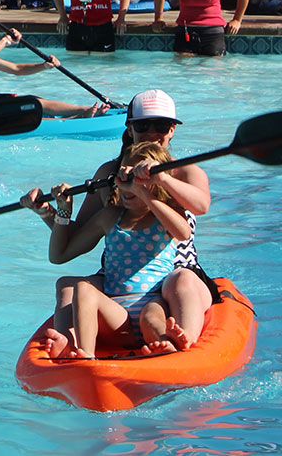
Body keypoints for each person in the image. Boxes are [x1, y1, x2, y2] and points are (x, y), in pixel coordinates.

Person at [20, 89, 216, 357]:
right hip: (119, 275)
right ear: (130, 128)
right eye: (142, 125)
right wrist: (49, 213)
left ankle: (183, 344)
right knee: (68, 286)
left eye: (160, 125)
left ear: (172, 130)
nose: (151, 133)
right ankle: (70, 345)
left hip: (174, 272)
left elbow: (200, 207)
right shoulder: (110, 174)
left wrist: (158, 180)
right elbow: (75, 240)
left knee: (179, 281)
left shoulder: (186, 172)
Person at [44, 141, 195, 358]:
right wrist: (62, 210)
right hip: (115, 314)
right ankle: (84, 352)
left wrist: (144, 193)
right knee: (83, 288)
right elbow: (59, 255)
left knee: (151, 319)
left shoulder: (162, 214)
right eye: (123, 177)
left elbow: (183, 233)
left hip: (151, 300)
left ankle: (164, 343)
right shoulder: (110, 216)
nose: (126, 185)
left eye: (133, 178)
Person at [0, 9, 108, 118]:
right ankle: (72, 119)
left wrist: (43, 66)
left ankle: (84, 109)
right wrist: (5, 41)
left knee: (33, 101)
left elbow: (16, 69)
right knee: (21, 113)